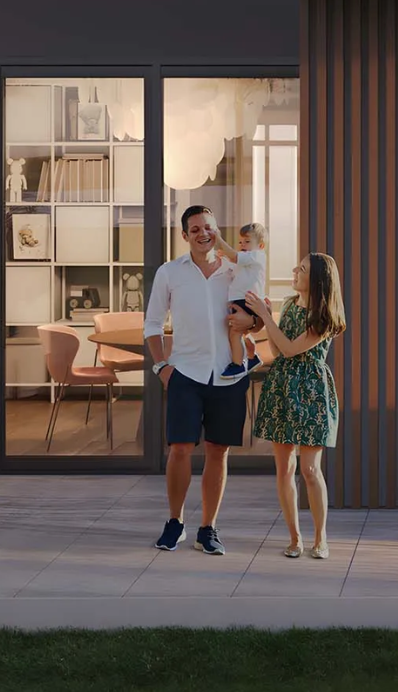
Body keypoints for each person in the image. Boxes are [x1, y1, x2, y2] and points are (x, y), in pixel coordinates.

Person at [145, 206, 250, 556]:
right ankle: (175, 522)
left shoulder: (237, 271)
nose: (202, 233)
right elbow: (153, 324)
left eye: (208, 227)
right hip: (185, 373)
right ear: (184, 235)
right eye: (195, 229)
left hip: (228, 373)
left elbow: (257, 317)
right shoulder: (169, 272)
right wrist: (162, 366)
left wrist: (251, 325)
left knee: (219, 451)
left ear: (217, 230)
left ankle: (208, 528)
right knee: (179, 449)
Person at [246, 253, 344, 560]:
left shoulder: (324, 316)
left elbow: (290, 348)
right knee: (284, 469)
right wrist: (267, 322)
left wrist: (265, 315)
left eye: (301, 269)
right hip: (282, 389)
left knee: (310, 469)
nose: (294, 271)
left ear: (315, 279)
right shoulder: (289, 305)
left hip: (312, 391)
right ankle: (294, 538)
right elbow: (278, 349)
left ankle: (320, 537)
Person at [217, 224, 269, 379]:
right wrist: (225, 259)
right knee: (243, 334)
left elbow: (234, 257)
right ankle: (252, 357)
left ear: (260, 245)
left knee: (235, 333)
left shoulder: (257, 256)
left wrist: (219, 239)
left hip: (247, 300)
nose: (242, 245)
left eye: (247, 242)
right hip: (244, 300)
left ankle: (238, 365)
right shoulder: (247, 262)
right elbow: (233, 266)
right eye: (240, 242)